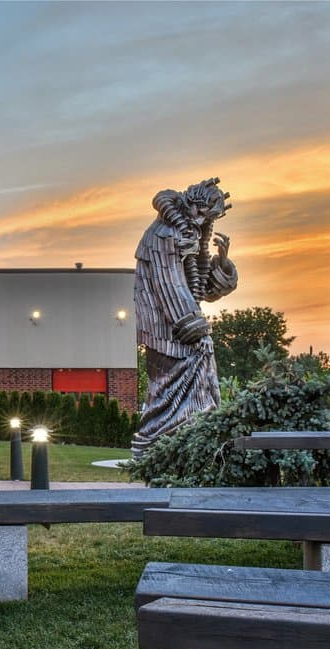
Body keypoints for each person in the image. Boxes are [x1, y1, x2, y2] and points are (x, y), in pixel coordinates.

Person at [131, 178, 238, 460]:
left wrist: (222, 262)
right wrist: (194, 329)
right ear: (192, 202)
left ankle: (199, 443)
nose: (202, 220)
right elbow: (168, 286)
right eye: (201, 212)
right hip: (166, 331)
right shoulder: (164, 234)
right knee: (168, 391)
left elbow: (202, 290)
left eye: (208, 218)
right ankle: (161, 448)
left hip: (184, 328)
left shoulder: (188, 238)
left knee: (201, 384)